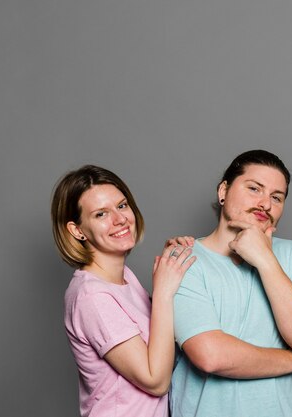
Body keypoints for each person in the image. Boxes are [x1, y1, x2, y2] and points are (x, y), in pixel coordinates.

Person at [169, 150, 292, 417]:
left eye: (276, 197)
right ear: (223, 190)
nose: (265, 204)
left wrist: (265, 260)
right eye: (254, 188)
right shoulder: (183, 258)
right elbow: (210, 355)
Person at [51, 165, 196, 417]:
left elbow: (157, 340)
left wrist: (171, 261)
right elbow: (156, 381)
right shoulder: (92, 297)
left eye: (121, 205)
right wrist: (162, 292)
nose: (120, 219)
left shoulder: (123, 277)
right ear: (77, 230)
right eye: (100, 214)